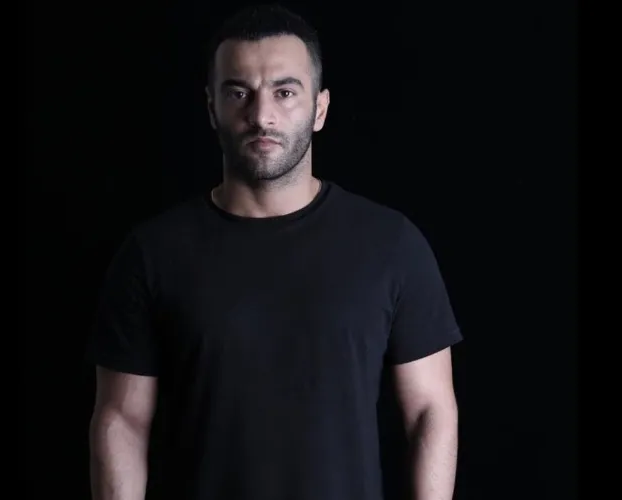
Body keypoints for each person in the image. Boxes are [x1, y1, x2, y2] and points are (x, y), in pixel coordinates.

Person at [87, 4, 462, 500]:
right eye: (238, 92)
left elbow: (430, 412)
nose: (261, 115)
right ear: (211, 108)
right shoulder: (152, 254)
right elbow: (122, 421)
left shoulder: (392, 245)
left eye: (284, 92)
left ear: (320, 109)